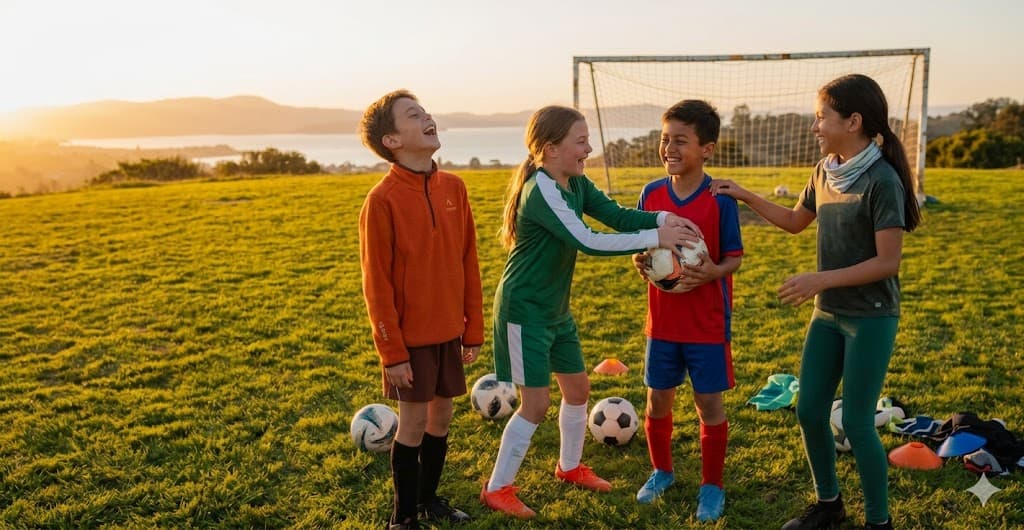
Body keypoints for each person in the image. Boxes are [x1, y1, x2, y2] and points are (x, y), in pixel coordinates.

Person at [711, 74, 921, 530]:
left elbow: (888, 262)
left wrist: (819, 278)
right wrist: (744, 194)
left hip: (871, 317)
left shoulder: (882, 180)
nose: (815, 126)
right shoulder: (825, 169)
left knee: (861, 423)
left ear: (854, 120)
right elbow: (793, 221)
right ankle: (830, 505)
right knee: (809, 410)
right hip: (827, 315)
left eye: (821, 117)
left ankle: (879, 522)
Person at [479, 105, 701, 519]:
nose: (589, 149)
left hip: (555, 311)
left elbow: (615, 215)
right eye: (580, 142)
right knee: (535, 405)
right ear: (550, 149)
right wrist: (656, 236)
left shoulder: (576, 181)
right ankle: (498, 488)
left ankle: (569, 468)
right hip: (523, 310)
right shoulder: (541, 188)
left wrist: (664, 217)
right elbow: (588, 240)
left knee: (578, 391)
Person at [358, 89, 484, 530]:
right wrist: (391, 353)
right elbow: (377, 283)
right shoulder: (382, 199)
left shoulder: (455, 187)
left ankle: (430, 500)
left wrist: (472, 330)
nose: (428, 116)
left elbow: (468, 260)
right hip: (409, 342)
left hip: (449, 331)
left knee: (443, 415)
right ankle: (403, 517)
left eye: (425, 110)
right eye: (414, 115)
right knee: (411, 424)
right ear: (391, 141)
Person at [630, 100, 743, 522]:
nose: (669, 148)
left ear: (707, 149)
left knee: (708, 404)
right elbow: (642, 249)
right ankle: (662, 471)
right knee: (658, 399)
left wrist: (713, 270)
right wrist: (640, 263)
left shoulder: (719, 199)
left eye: (681, 140)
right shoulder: (651, 194)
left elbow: (734, 256)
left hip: (707, 324)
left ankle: (712, 485)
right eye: (665, 140)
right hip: (662, 323)